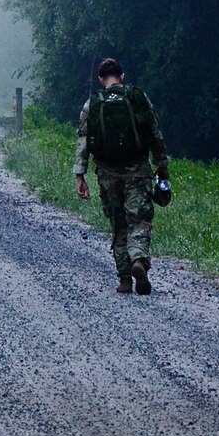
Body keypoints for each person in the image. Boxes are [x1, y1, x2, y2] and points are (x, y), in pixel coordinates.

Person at [74, 58, 170, 295]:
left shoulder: (92, 104)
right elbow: (154, 133)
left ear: (100, 79)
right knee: (139, 221)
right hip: (137, 171)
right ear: (122, 76)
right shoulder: (137, 98)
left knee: (118, 225)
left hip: (107, 175)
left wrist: (80, 176)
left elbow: (83, 143)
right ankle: (139, 259)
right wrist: (162, 165)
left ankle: (125, 279)